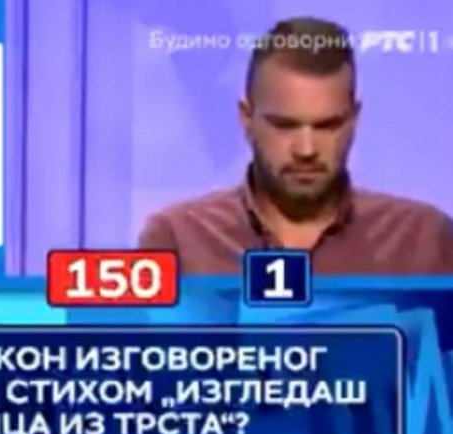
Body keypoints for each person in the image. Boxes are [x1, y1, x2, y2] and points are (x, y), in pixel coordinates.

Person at [139, 17, 453, 274]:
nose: (306, 149)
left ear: (354, 120)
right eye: (284, 125)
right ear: (247, 118)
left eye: (327, 125)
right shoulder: (179, 239)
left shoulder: (424, 239)